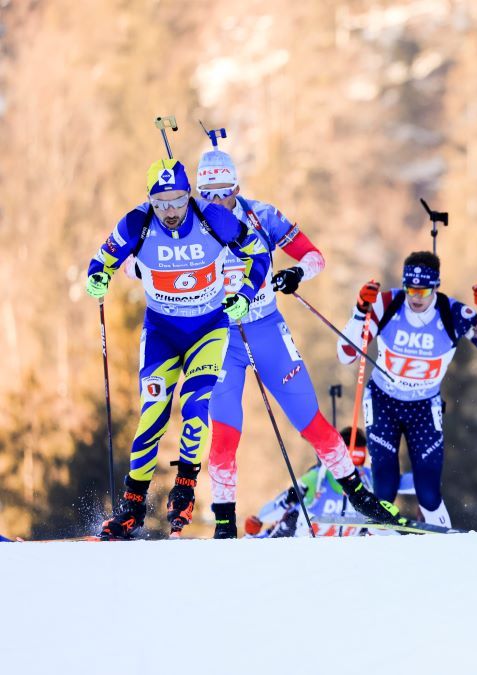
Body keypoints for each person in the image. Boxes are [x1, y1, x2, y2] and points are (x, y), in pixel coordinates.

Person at [196, 147, 404, 538]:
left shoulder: (261, 215)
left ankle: (359, 496)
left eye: (223, 191)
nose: (215, 201)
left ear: (237, 187)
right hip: (218, 336)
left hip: (266, 329)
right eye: (206, 193)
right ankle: (224, 521)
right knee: (224, 434)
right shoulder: (189, 225)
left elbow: (315, 257)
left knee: (311, 421)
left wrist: (295, 274)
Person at [85, 158, 271, 539]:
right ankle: (132, 506)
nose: (169, 210)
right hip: (162, 333)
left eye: (177, 200)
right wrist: (98, 278)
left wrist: (246, 295)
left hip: (208, 329)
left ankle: (184, 490)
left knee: (196, 405)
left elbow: (260, 254)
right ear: (150, 200)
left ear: (189, 195)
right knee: (152, 412)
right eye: (161, 202)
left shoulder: (214, 219)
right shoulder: (136, 223)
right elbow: (101, 261)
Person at [337, 252, 477, 528]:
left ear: (435, 286)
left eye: (423, 290)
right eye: (410, 288)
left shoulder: (451, 313)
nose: (415, 297)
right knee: (385, 484)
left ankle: (442, 542)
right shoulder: (388, 303)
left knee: (429, 493)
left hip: (423, 406)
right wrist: (361, 310)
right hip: (383, 401)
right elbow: (346, 353)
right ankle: (379, 543)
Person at [244, 427, 413, 537]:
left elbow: (404, 483)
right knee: (297, 516)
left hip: (349, 557)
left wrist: (426, 479)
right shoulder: (318, 478)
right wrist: (259, 519)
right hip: (308, 547)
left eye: (359, 458)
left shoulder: (369, 477)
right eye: (351, 458)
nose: (354, 467)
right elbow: (280, 505)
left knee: (378, 521)